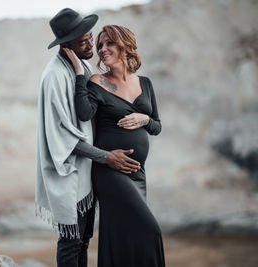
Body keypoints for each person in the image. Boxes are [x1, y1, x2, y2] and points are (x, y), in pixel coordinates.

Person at [36, 10, 142, 267]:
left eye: (89, 37)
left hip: (87, 172)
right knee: (71, 242)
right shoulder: (54, 77)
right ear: (66, 45)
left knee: (83, 239)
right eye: (83, 41)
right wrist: (107, 157)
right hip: (69, 175)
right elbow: (62, 139)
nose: (91, 45)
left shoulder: (79, 66)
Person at [64, 24, 166, 266]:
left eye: (109, 43)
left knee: (124, 236)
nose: (102, 49)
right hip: (110, 170)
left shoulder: (145, 83)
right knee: (150, 230)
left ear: (124, 44)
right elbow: (84, 113)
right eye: (100, 45)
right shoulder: (97, 81)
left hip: (137, 173)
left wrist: (145, 118)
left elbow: (157, 126)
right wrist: (80, 74)